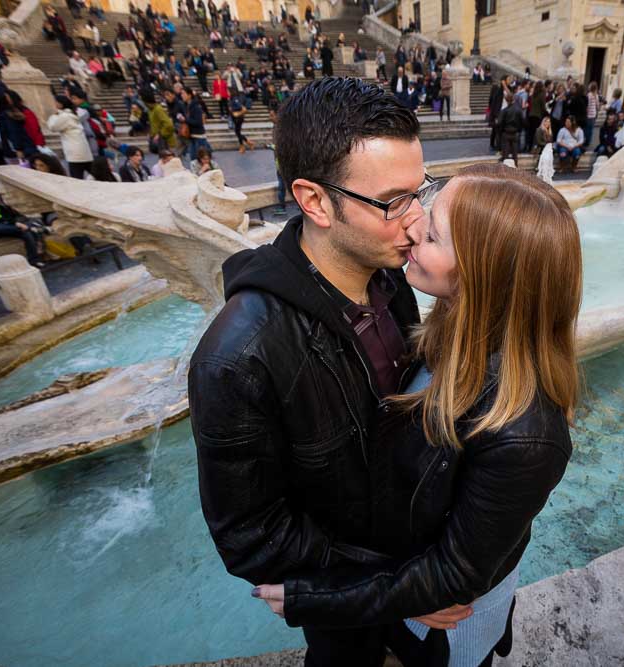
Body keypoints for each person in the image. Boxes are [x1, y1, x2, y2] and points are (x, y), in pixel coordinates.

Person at [251, 161, 580, 667]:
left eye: (433, 234)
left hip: (443, 645)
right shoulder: (451, 333)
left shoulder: (527, 435)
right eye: (426, 209)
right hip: (404, 611)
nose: (412, 225)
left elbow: (456, 576)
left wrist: (316, 597)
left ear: (481, 277)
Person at [190, 77, 454, 665]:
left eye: (421, 192)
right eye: (392, 202)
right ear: (313, 201)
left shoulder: (391, 279)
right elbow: (251, 537)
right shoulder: (237, 357)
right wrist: (402, 583)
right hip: (351, 604)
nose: (416, 224)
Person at [47, 95, 93, 179]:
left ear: (60, 104)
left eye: (55, 102)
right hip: (82, 150)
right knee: (93, 172)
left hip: (74, 153)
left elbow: (52, 127)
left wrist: (54, 115)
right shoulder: (71, 113)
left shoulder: (65, 116)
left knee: (76, 178)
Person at [497, 91, 523, 166]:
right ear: (514, 99)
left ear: (506, 100)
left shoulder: (504, 111)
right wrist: (519, 129)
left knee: (506, 152)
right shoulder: (518, 110)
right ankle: (516, 166)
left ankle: (506, 169)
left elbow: (499, 123)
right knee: (515, 153)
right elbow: (523, 121)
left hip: (506, 132)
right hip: (515, 133)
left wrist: (501, 131)